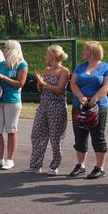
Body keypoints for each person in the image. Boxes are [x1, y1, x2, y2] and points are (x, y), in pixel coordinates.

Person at [68, 41, 108, 179]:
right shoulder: (80, 67)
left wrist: (94, 99)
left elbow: (107, 86)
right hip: (79, 106)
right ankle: (80, 165)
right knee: (79, 136)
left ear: (93, 52)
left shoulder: (106, 67)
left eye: (85, 50)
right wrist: (81, 97)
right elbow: (73, 84)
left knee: (97, 136)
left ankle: (100, 167)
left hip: (98, 107)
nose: (83, 52)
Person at [23, 45, 70, 174]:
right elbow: (40, 89)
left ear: (54, 56)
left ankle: (54, 166)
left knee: (56, 137)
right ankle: (35, 165)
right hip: (43, 105)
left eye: (47, 54)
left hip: (57, 107)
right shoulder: (46, 70)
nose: (45, 56)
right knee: (37, 134)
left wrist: (44, 83)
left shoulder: (64, 71)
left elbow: (59, 90)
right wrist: (39, 82)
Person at [0, 40, 28, 170]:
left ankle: (10, 159)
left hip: (12, 100)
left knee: (11, 130)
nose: (4, 50)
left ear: (12, 49)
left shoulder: (22, 64)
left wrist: (3, 78)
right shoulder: (2, 64)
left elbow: (20, 83)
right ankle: (0, 159)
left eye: (5, 47)